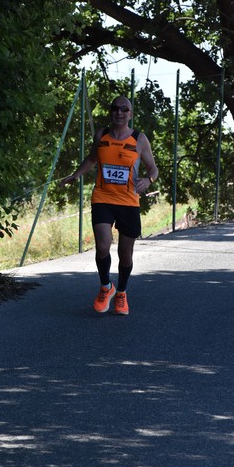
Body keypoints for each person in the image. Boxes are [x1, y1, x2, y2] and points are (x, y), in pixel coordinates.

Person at [61, 95, 158, 315]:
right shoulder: (101, 135)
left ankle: (121, 292)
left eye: (124, 109)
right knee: (103, 245)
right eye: (115, 109)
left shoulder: (139, 139)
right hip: (103, 198)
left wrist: (148, 180)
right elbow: (92, 159)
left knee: (126, 254)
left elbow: (153, 168)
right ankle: (106, 286)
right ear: (110, 112)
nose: (119, 112)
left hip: (128, 201)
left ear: (130, 114)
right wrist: (76, 175)